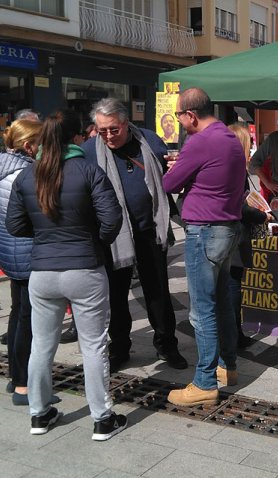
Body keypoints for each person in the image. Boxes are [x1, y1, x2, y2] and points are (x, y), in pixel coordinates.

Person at [5, 109, 127, 441]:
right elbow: (112, 219)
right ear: (77, 138)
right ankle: (102, 419)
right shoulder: (89, 170)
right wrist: (94, 242)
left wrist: (46, 237)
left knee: (42, 345)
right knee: (94, 345)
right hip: (85, 268)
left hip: (42, 272)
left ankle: (39, 414)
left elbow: (14, 226)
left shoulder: (28, 176)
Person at [83, 98, 187, 371]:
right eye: (101, 130)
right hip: (113, 238)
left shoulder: (150, 142)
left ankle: (167, 345)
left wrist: (176, 167)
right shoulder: (89, 152)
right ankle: (119, 347)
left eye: (113, 130)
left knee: (158, 294)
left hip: (150, 231)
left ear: (126, 124)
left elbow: (171, 173)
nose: (107, 136)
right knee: (116, 297)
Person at [162, 88, 246, 406]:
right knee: (222, 303)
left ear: (191, 115)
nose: (180, 122)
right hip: (226, 229)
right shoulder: (227, 137)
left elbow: (169, 184)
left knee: (202, 310)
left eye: (179, 116)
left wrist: (174, 170)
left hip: (205, 232)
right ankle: (227, 366)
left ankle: (204, 382)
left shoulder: (199, 141)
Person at [0, 119, 41, 406]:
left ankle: (15, 376)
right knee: (29, 319)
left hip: (8, 251)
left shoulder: (0, 164)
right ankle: (23, 384)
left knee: (18, 311)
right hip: (26, 252)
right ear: (28, 145)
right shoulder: (25, 173)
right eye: (40, 142)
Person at [228, 123, 272, 352]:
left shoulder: (233, 167)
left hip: (232, 237)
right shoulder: (234, 169)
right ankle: (234, 336)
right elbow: (238, 206)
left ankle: (235, 333)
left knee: (233, 287)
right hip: (234, 237)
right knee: (234, 287)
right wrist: (261, 215)